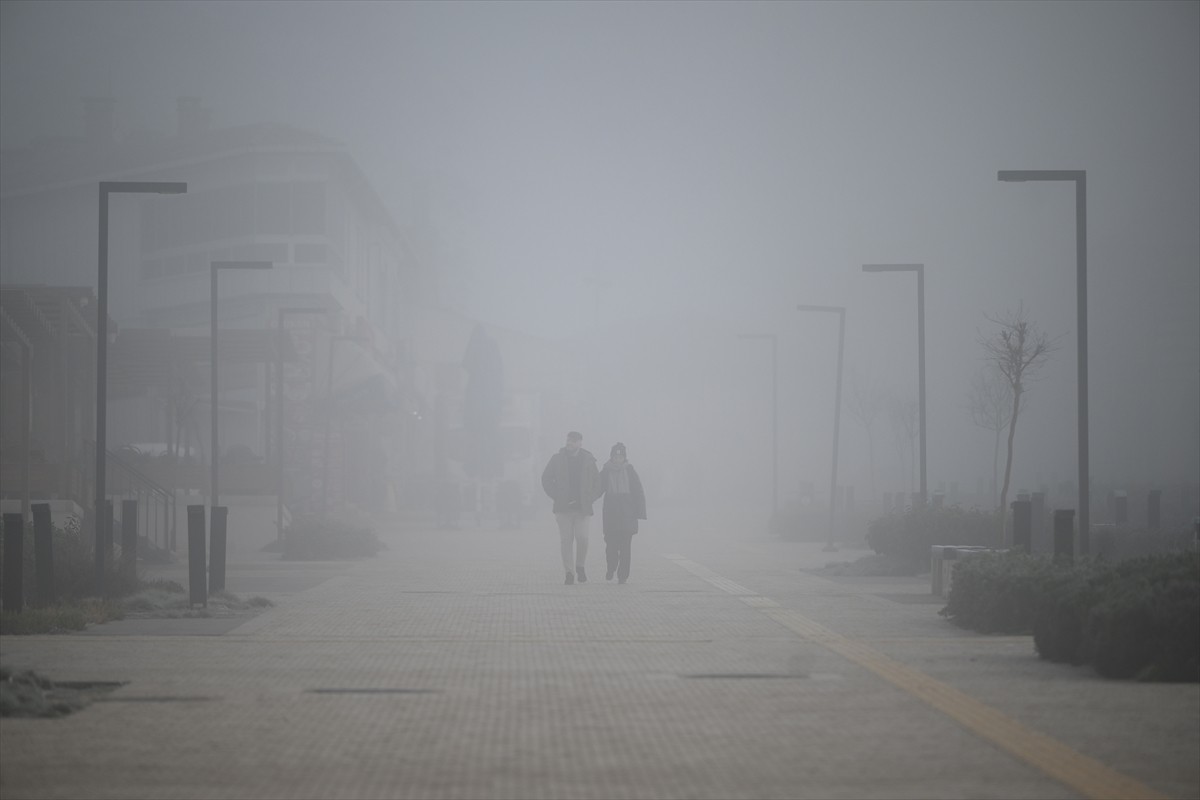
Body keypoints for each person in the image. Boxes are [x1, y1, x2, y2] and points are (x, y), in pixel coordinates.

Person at [541, 431, 601, 585]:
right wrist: (556, 495)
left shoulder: (588, 460)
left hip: (582, 509)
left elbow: (597, 482)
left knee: (583, 538)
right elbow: (546, 478)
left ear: (580, 442)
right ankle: (569, 572)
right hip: (563, 509)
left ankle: (580, 565)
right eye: (568, 440)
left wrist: (589, 498)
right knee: (566, 541)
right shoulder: (557, 459)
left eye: (573, 441)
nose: (570, 443)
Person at [598, 442, 646, 584]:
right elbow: (597, 489)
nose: (618, 459)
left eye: (620, 457)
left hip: (627, 515)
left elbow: (638, 492)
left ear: (624, 458)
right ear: (611, 457)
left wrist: (640, 512)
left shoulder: (630, 471)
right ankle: (611, 567)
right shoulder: (605, 471)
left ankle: (623, 575)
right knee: (611, 546)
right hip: (611, 515)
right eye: (615, 457)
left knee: (625, 548)